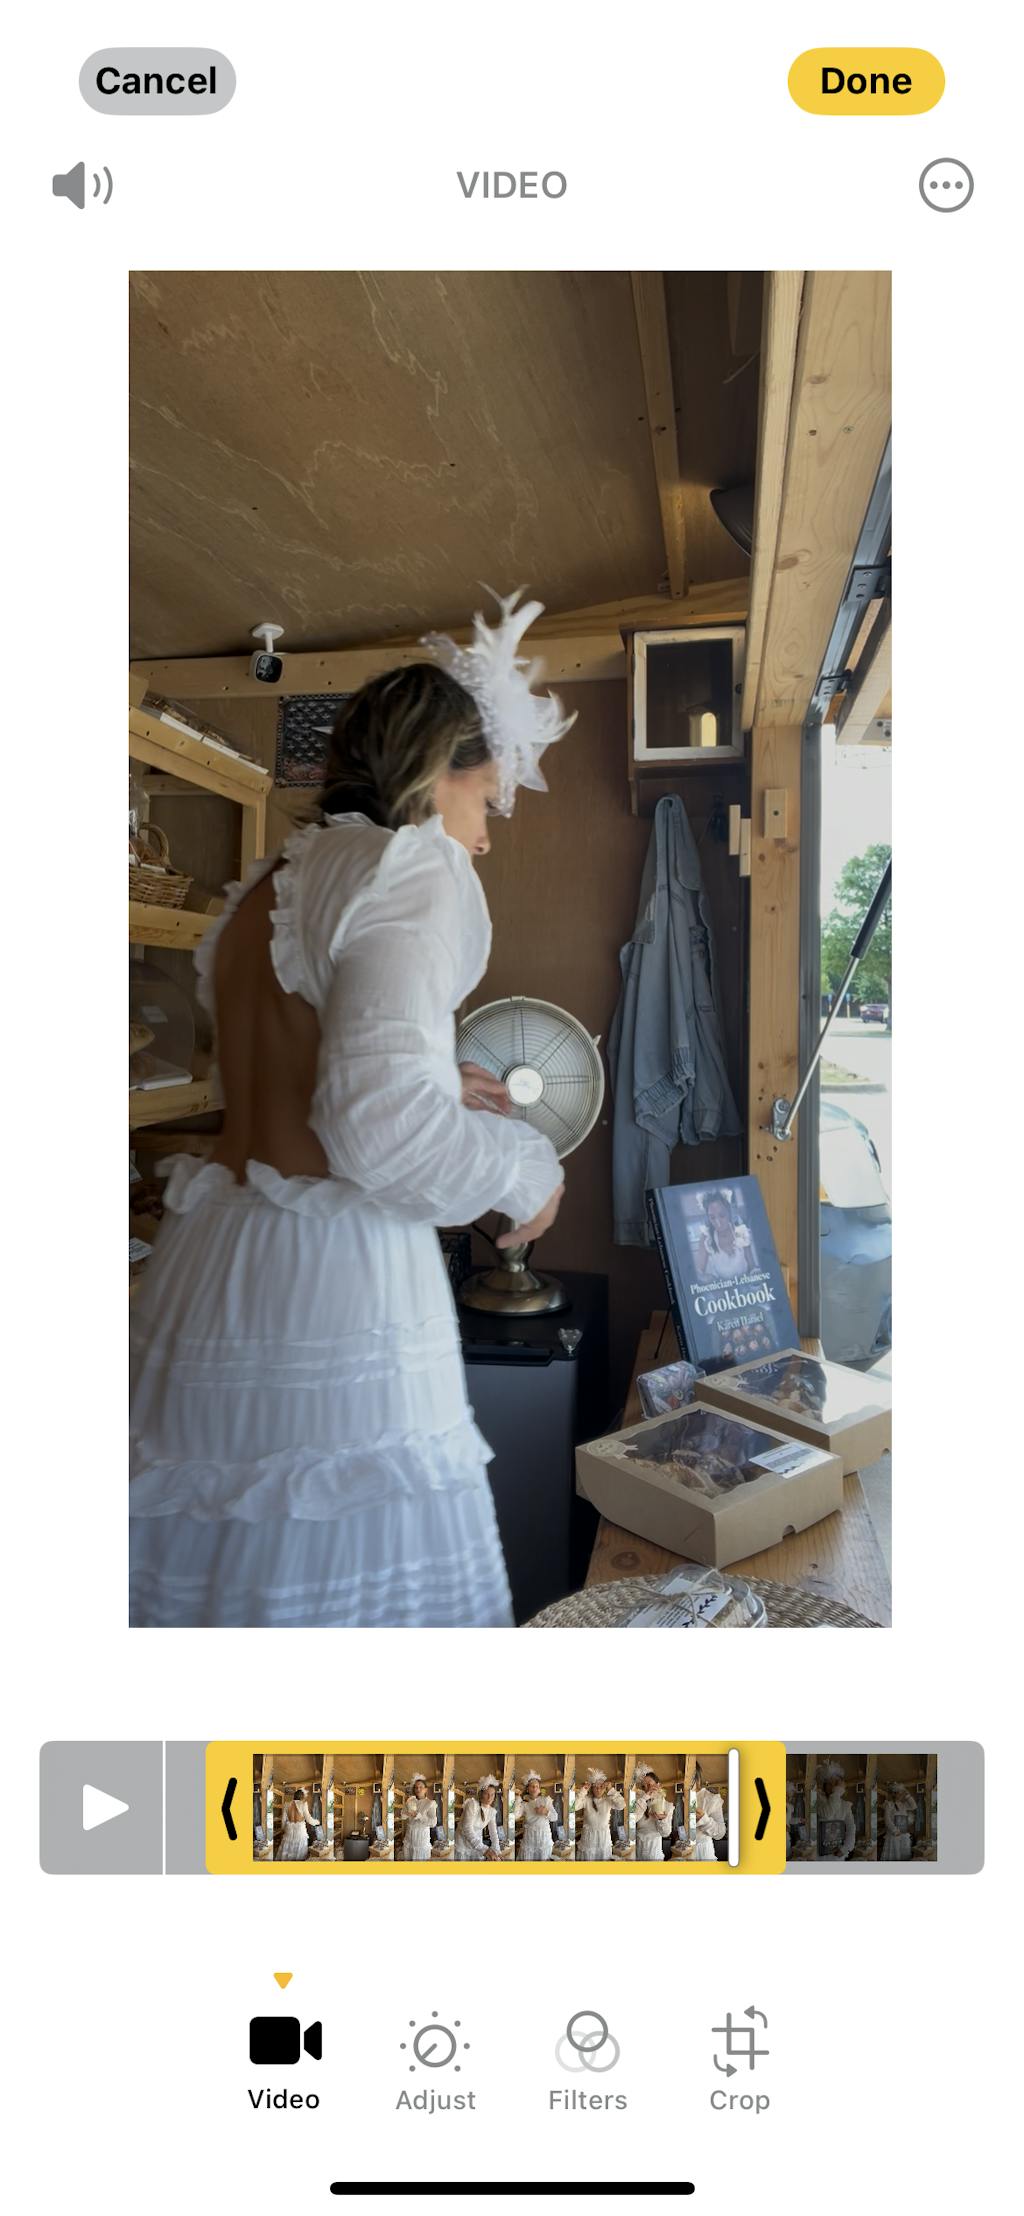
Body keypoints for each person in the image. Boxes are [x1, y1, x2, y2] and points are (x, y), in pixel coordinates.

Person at [129, 592, 573, 1628]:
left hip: (210, 1264)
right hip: (329, 1284)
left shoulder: (264, 886)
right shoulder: (409, 866)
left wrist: (431, 1074)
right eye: (486, 800)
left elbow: (304, 1065)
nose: (484, 836)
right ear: (438, 771)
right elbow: (381, 1130)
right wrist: (526, 1170)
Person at [694, 1190, 754, 1282]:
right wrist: (705, 1278)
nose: (718, 1222)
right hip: (722, 1288)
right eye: (712, 1217)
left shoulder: (741, 1232)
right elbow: (698, 1272)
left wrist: (755, 1274)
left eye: (722, 1215)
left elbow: (752, 1267)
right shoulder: (706, 1238)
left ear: (729, 1212)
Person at [575, 1769, 625, 1862]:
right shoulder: (587, 1800)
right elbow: (573, 1806)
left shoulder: (608, 1800)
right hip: (589, 1840)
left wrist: (611, 1789)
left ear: (605, 1788)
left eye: (601, 1786)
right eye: (595, 1787)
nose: (598, 1789)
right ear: (592, 1788)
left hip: (604, 1840)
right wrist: (583, 1790)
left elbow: (621, 1805)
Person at [512, 1772, 557, 1863]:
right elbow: (515, 1816)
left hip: (544, 1839)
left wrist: (546, 1812)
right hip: (530, 1839)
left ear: (539, 1789)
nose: (535, 1788)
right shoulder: (524, 1803)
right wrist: (518, 1798)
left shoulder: (546, 1800)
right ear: (527, 1789)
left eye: (537, 1786)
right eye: (532, 1786)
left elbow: (555, 1817)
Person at [455, 1775, 502, 1861]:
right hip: (463, 1843)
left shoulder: (492, 1811)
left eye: (492, 1795)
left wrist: (497, 1850)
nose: (489, 1798)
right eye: (486, 1794)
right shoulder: (472, 1804)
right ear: (481, 1794)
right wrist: (484, 1849)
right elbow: (467, 1828)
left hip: (477, 1842)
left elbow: (493, 1833)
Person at [816, 1761, 857, 1860]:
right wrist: (837, 1793)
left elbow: (851, 1828)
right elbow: (827, 1814)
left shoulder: (845, 1805)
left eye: (835, 1783)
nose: (832, 1786)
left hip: (837, 1852)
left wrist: (845, 1848)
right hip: (820, 1853)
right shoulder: (818, 1801)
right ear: (824, 1786)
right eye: (829, 1784)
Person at [634, 1765, 673, 1862]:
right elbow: (632, 1819)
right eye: (643, 1786)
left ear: (658, 1785)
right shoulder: (639, 1803)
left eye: (649, 1784)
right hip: (638, 1855)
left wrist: (661, 1819)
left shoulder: (667, 1806)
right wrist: (644, 1798)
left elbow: (665, 1833)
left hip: (655, 1855)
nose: (647, 1789)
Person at [402, 1774, 438, 1862]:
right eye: (416, 1787)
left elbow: (433, 1823)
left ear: (426, 1789)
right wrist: (406, 1813)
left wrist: (419, 1816)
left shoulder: (430, 1803)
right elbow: (402, 1816)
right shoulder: (410, 1801)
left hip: (421, 1840)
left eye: (421, 1787)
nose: (418, 1789)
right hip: (409, 1838)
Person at [880, 1781, 916, 1863]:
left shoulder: (904, 1805)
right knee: (895, 1854)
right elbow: (887, 1819)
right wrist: (895, 1830)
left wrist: (907, 1794)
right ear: (894, 1794)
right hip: (894, 1834)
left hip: (903, 1834)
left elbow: (914, 1806)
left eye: (901, 1793)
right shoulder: (889, 1804)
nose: (901, 1795)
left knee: (903, 1855)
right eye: (899, 1793)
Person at [275, 1786, 313, 1862]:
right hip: (300, 1830)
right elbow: (308, 1819)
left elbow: (283, 1820)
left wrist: (283, 1829)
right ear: (302, 1796)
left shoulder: (286, 1804)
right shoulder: (303, 1804)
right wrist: (317, 1822)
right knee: (300, 1849)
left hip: (289, 1829)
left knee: (287, 1847)